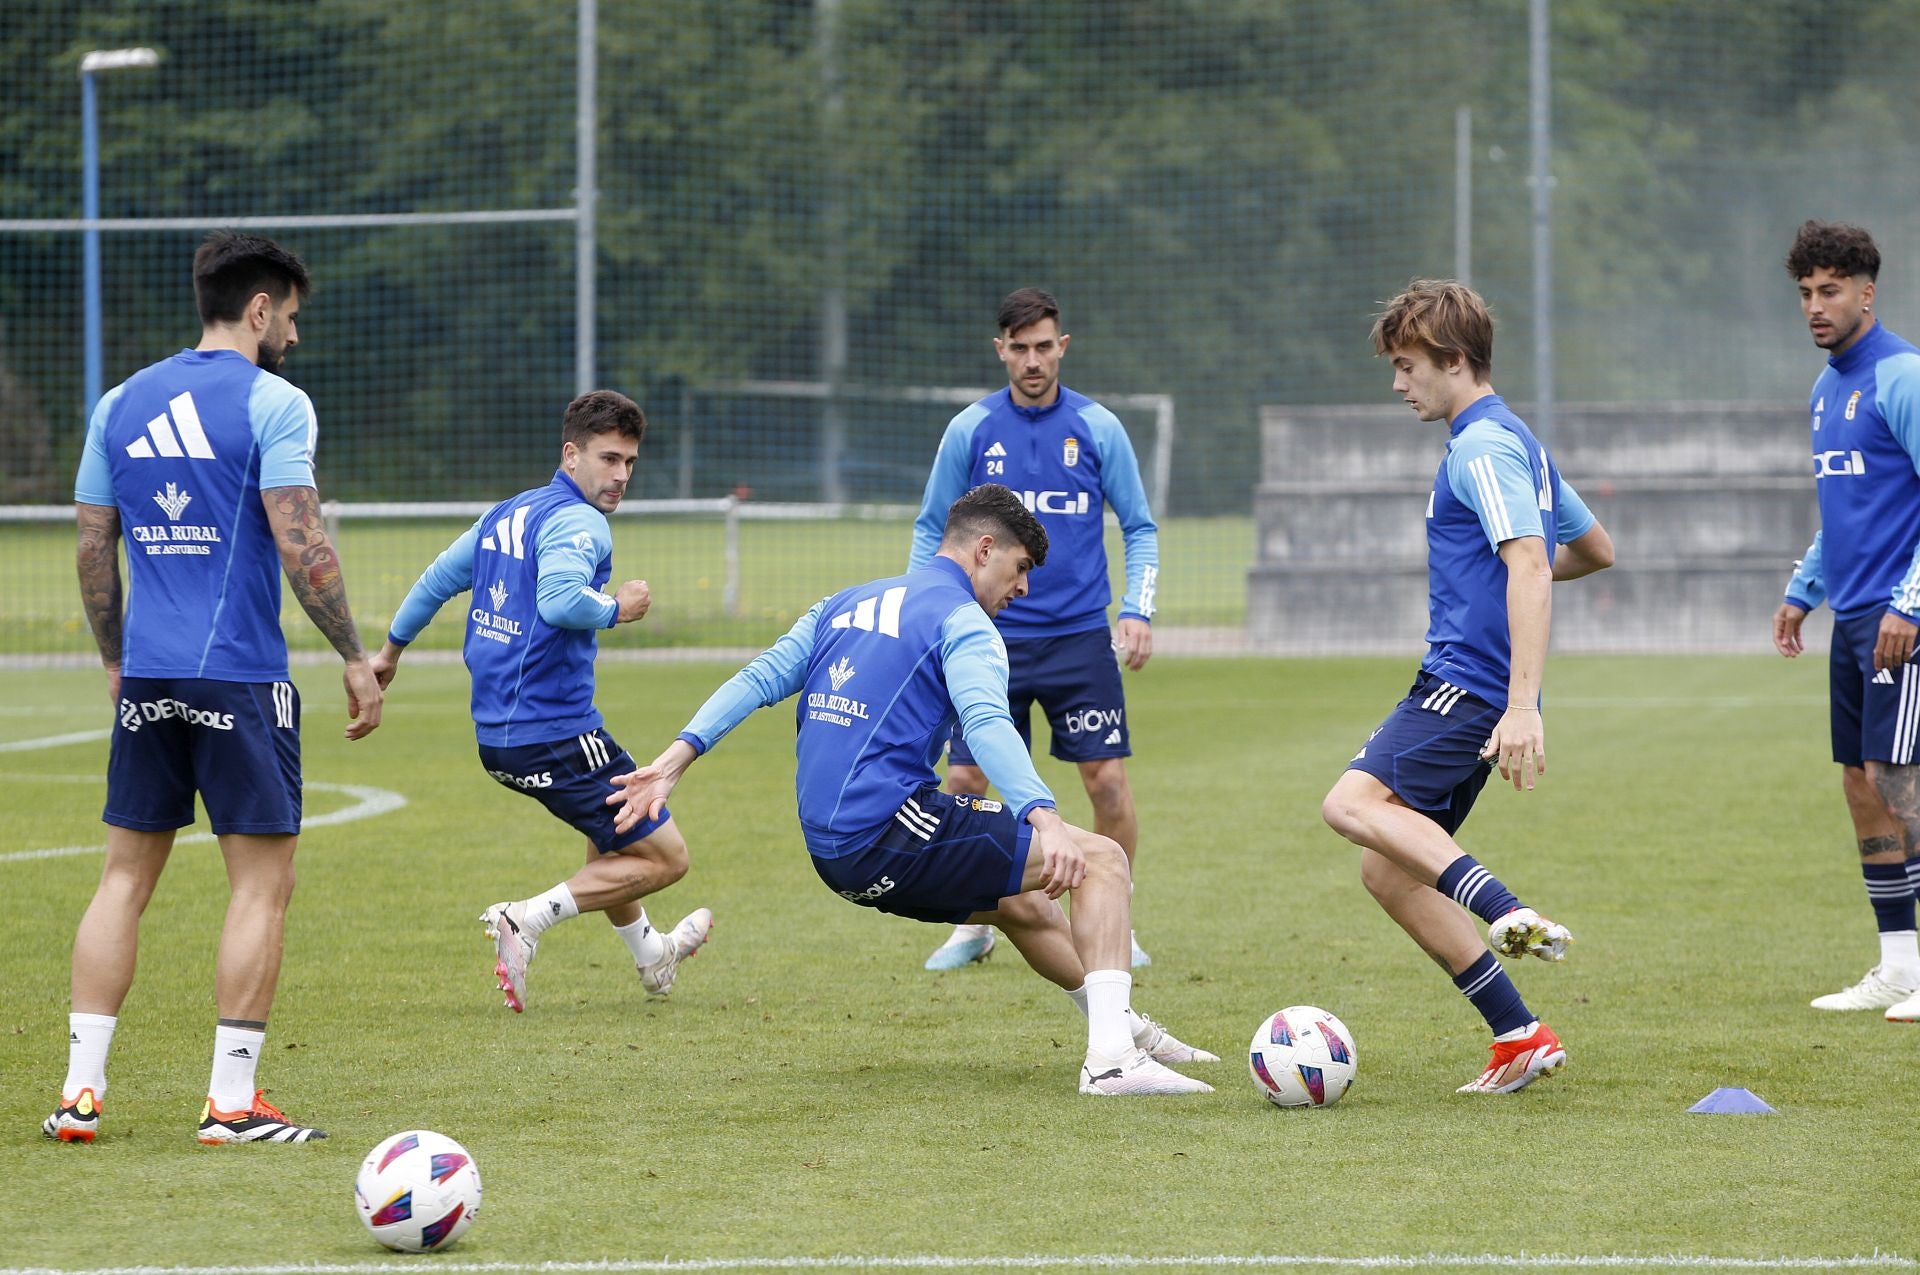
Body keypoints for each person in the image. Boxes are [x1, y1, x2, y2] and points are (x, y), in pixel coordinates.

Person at [608, 484, 1216, 1095]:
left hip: (833, 852)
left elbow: (759, 677)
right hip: (888, 831)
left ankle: (1130, 1034)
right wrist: (1045, 816)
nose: (1024, 587)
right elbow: (985, 721)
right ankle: (1113, 1063)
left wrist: (672, 760)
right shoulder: (965, 622)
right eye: (1021, 567)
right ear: (984, 550)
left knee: (1023, 904)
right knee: (1103, 860)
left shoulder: (841, 603)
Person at [45, 231, 384, 1145]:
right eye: (293, 319)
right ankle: (232, 1104)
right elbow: (298, 537)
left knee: (122, 877)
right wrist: (354, 652)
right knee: (261, 888)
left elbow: (91, 544)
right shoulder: (276, 402)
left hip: (148, 674)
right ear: (261, 308)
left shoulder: (118, 403)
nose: (296, 339)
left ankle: (80, 1094)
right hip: (238, 675)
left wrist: (116, 657)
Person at [1320, 279, 1614, 1095]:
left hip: (1465, 686)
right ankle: (1519, 1033)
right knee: (1388, 869)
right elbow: (1592, 549)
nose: (1397, 382)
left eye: (1408, 364)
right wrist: (1509, 574)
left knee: (1349, 806)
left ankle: (1505, 906)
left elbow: (1527, 559)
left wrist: (1522, 704)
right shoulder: (1516, 438)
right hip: (1473, 685)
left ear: (1454, 361)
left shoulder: (1480, 447)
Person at [371, 390, 711, 1015]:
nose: (620, 475)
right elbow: (560, 601)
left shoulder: (508, 513)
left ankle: (652, 956)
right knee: (666, 858)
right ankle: (525, 918)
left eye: (629, 462)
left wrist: (390, 650)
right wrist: (619, 608)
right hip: (553, 732)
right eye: (608, 459)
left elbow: (437, 578)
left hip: (499, 736)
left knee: (616, 831)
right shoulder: (581, 522)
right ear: (571, 454)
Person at [909, 287, 1160, 972]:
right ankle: (974, 920)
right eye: (1018, 348)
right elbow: (933, 528)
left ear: (1062, 346)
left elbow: (1139, 526)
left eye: (1043, 346)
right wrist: (923, 610)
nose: (1031, 360)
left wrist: (1137, 607)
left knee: (1105, 781)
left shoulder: (1099, 428)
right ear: (1001, 350)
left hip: (1079, 636)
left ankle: (1118, 914)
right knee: (964, 780)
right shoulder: (969, 431)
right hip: (987, 637)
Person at [1773, 221, 1920, 1023]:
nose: (1815, 306)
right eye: (1805, 292)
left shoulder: (1903, 375)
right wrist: (1806, 587)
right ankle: (1899, 965)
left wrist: (1912, 602)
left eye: (1830, 290)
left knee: (1903, 780)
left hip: (1906, 616)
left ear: (1868, 291)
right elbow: (1846, 510)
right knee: (1862, 783)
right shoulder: (1827, 390)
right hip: (1857, 616)